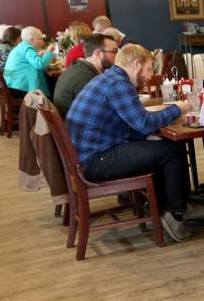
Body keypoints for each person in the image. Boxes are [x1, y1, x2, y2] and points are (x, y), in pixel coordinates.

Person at [66, 44, 191, 242]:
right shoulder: (119, 84)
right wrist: (178, 108)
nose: (150, 75)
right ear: (136, 65)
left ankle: (163, 205)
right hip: (96, 161)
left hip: (92, 153)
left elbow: (125, 123)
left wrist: (144, 137)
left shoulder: (108, 78)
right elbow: (143, 122)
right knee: (171, 150)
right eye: (149, 69)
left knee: (162, 146)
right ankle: (174, 214)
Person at [53, 33, 118, 117]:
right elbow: (103, 112)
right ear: (98, 54)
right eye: (114, 51)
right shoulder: (87, 78)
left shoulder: (79, 67)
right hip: (75, 127)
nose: (118, 56)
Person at [3, 26, 56, 97]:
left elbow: (27, 62)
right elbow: (40, 65)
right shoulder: (26, 47)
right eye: (41, 39)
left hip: (13, 87)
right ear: (32, 40)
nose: (43, 42)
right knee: (54, 86)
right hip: (21, 90)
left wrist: (38, 55)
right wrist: (49, 51)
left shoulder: (22, 47)